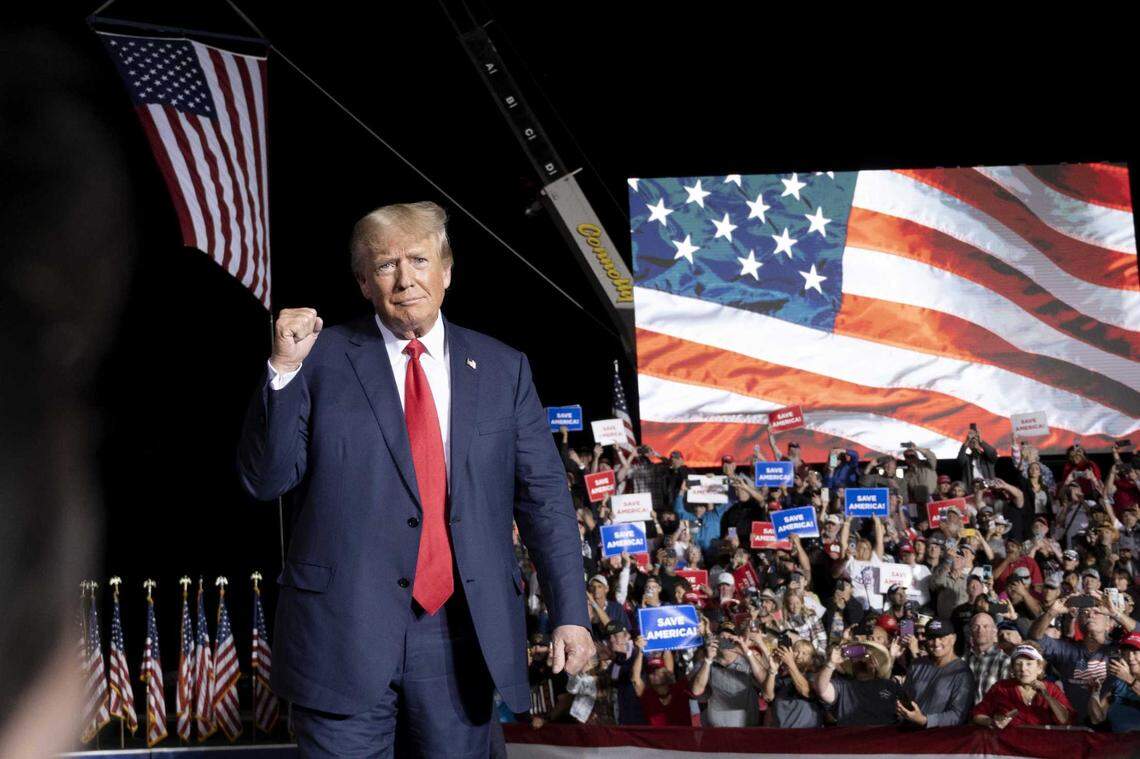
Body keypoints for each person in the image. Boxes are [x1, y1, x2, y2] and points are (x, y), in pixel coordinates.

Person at [237, 202, 592, 756]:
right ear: (362, 282)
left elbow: (545, 499)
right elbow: (265, 480)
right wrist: (282, 370)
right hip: (341, 633)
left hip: (460, 635)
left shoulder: (504, 368)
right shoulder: (316, 360)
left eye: (419, 260)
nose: (405, 279)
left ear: (446, 271)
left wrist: (571, 614)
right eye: (385, 266)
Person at [971, 642, 1073, 728]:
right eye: (1018, 664)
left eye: (1029, 664)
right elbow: (977, 715)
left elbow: (1065, 720)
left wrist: (1047, 697)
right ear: (1012, 669)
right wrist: (993, 722)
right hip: (1009, 747)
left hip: (1043, 747)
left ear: (1039, 668)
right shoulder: (1001, 688)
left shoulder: (1051, 689)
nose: (1023, 669)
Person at [897, 619, 976, 727]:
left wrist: (925, 720)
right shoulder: (916, 665)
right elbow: (905, 698)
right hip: (909, 734)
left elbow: (958, 715)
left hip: (942, 738)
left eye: (941, 637)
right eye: (931, 638)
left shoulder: (962, 673)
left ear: (953, 639)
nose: (936, 643)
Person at [815, 639, 904, 726]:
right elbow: (822, 690)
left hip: (883, 736)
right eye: (857, 657)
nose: (861, 660)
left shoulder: (890, 685)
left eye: (866, 657)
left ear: (875, 663)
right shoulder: (842, 686)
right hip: (851, 737)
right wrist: (831, 664)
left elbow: (907, 710)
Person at [690, 628, 765, 726]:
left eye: (729, 638)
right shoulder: (706, 663)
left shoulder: (749, 661)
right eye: (722, 638)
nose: (725, 640)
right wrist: (708, 660)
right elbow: (696, 690)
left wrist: (742, 650)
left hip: (746, 728)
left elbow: (765, 682)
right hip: (717, 729)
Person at [630, 635, 691, 726]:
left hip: (682, 738)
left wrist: (664, 640)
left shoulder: (679, 689)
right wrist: (640, 651)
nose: (655, 673)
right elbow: (635, 678)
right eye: (651, 672)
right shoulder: (646, 694)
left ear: (668, 674)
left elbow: (669, 664)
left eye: (659, 670)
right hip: (656, 739)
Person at [1089, 631, 1140, 731]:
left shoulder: (1125, 678)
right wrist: (1094, 693)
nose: (1130, 657)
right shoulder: (1117, 683)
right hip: (1118, 742)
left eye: (1135, 652)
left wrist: (1128, 678)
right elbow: (1097, 718)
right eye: (1126, 652)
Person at [963, 612, 1011, 704]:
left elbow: (1005, 697)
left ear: (994, 631)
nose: (980, 630)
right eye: (976, 627)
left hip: (989, 715)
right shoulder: (963, 659)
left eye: (986, 626)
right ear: (970, 632)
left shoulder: (1004, 661)